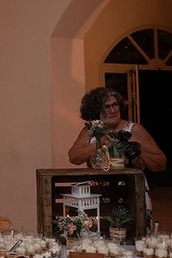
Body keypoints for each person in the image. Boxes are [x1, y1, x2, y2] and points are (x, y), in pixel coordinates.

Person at [68, 87, 166, 229]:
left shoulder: (134, 129)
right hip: (100, 195)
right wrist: (98, 144)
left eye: (115, 105)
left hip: (131, 194)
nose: (113, 110)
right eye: (107, 107)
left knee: (133, 235)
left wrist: (138, 151)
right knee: (101, 238)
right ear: (96, 110)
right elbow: (74, 157)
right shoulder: (91, 130)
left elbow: (161, 163)